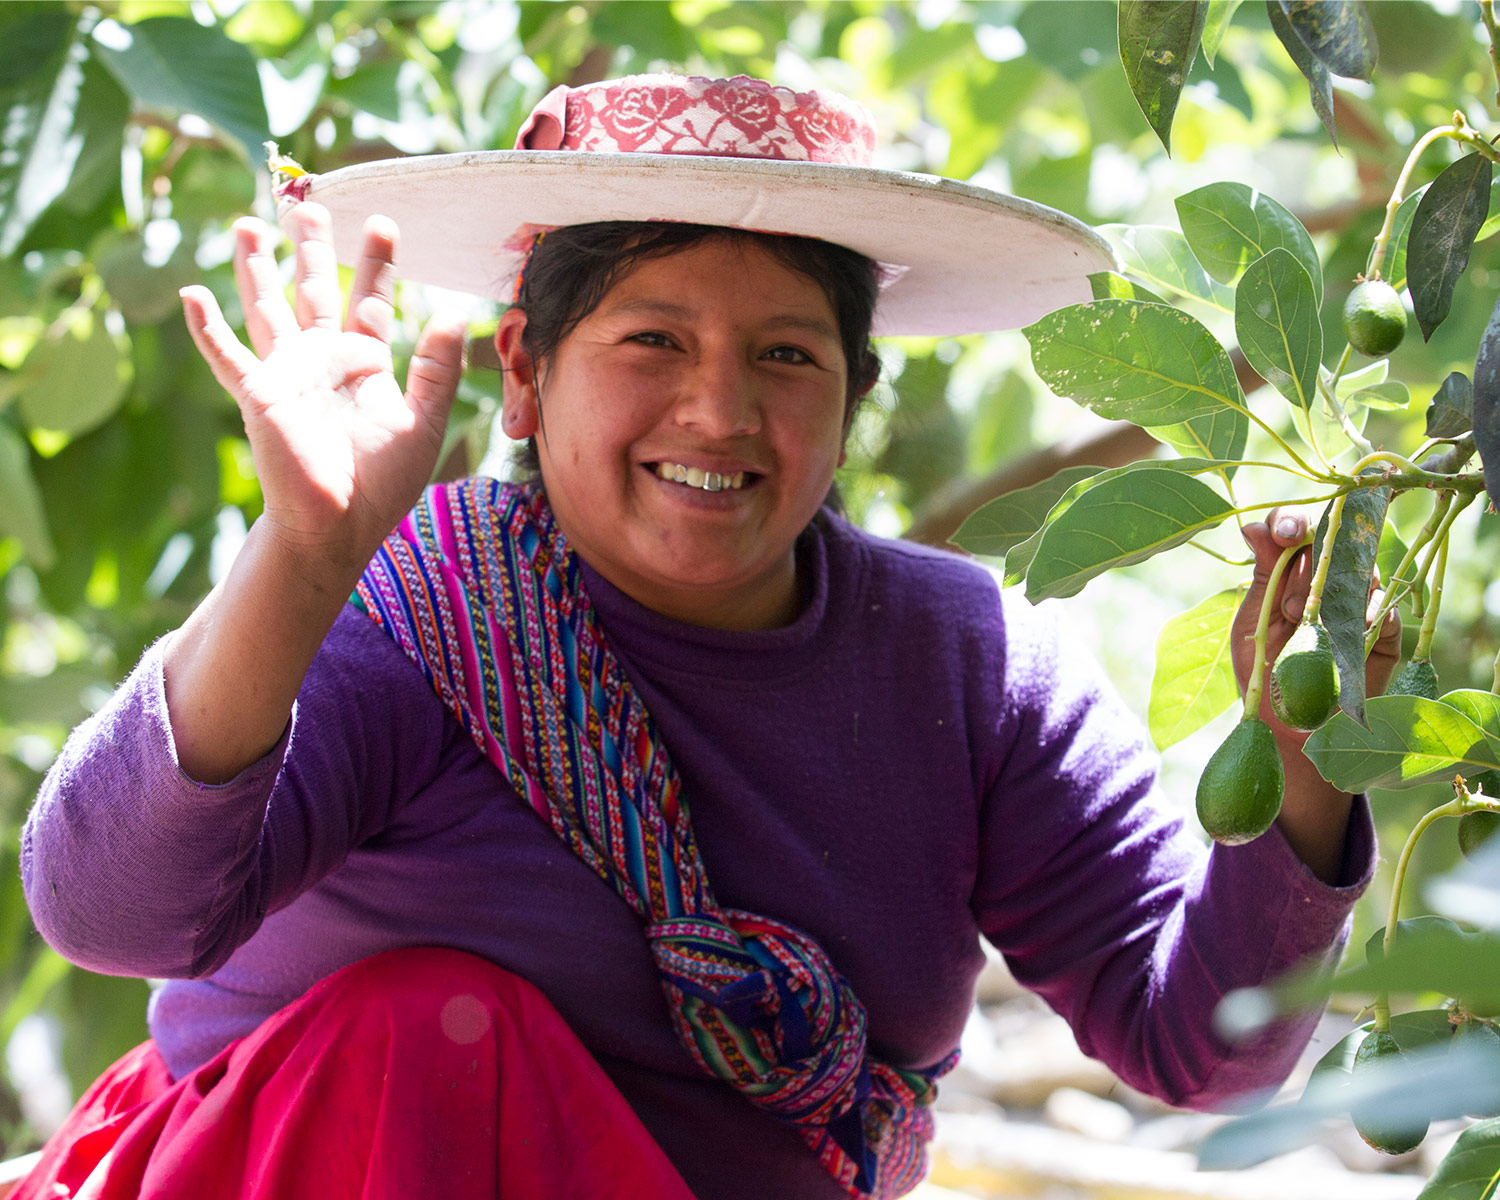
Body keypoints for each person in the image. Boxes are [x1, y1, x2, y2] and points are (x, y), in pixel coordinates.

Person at [16, 73, 1396, 1200]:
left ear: (853, 399)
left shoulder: (968, 668)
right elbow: (110, 914)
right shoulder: (411, 614)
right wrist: (303, 554)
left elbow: (1192, 1046)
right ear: (523, 373)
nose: (721, 413)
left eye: (788, 356)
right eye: (653, 343)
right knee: (431, 1031)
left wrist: (1304, 780)